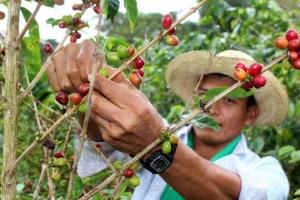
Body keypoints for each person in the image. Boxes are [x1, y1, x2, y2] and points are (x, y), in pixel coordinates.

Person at [47, 40, 289, 199]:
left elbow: (239, 194)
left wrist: (154, 148)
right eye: (204, 95)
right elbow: (106, 136)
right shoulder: (164, 130)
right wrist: (84, 89)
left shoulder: (266, 172)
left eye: (229, 100)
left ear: (250, 115)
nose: (211, 107)